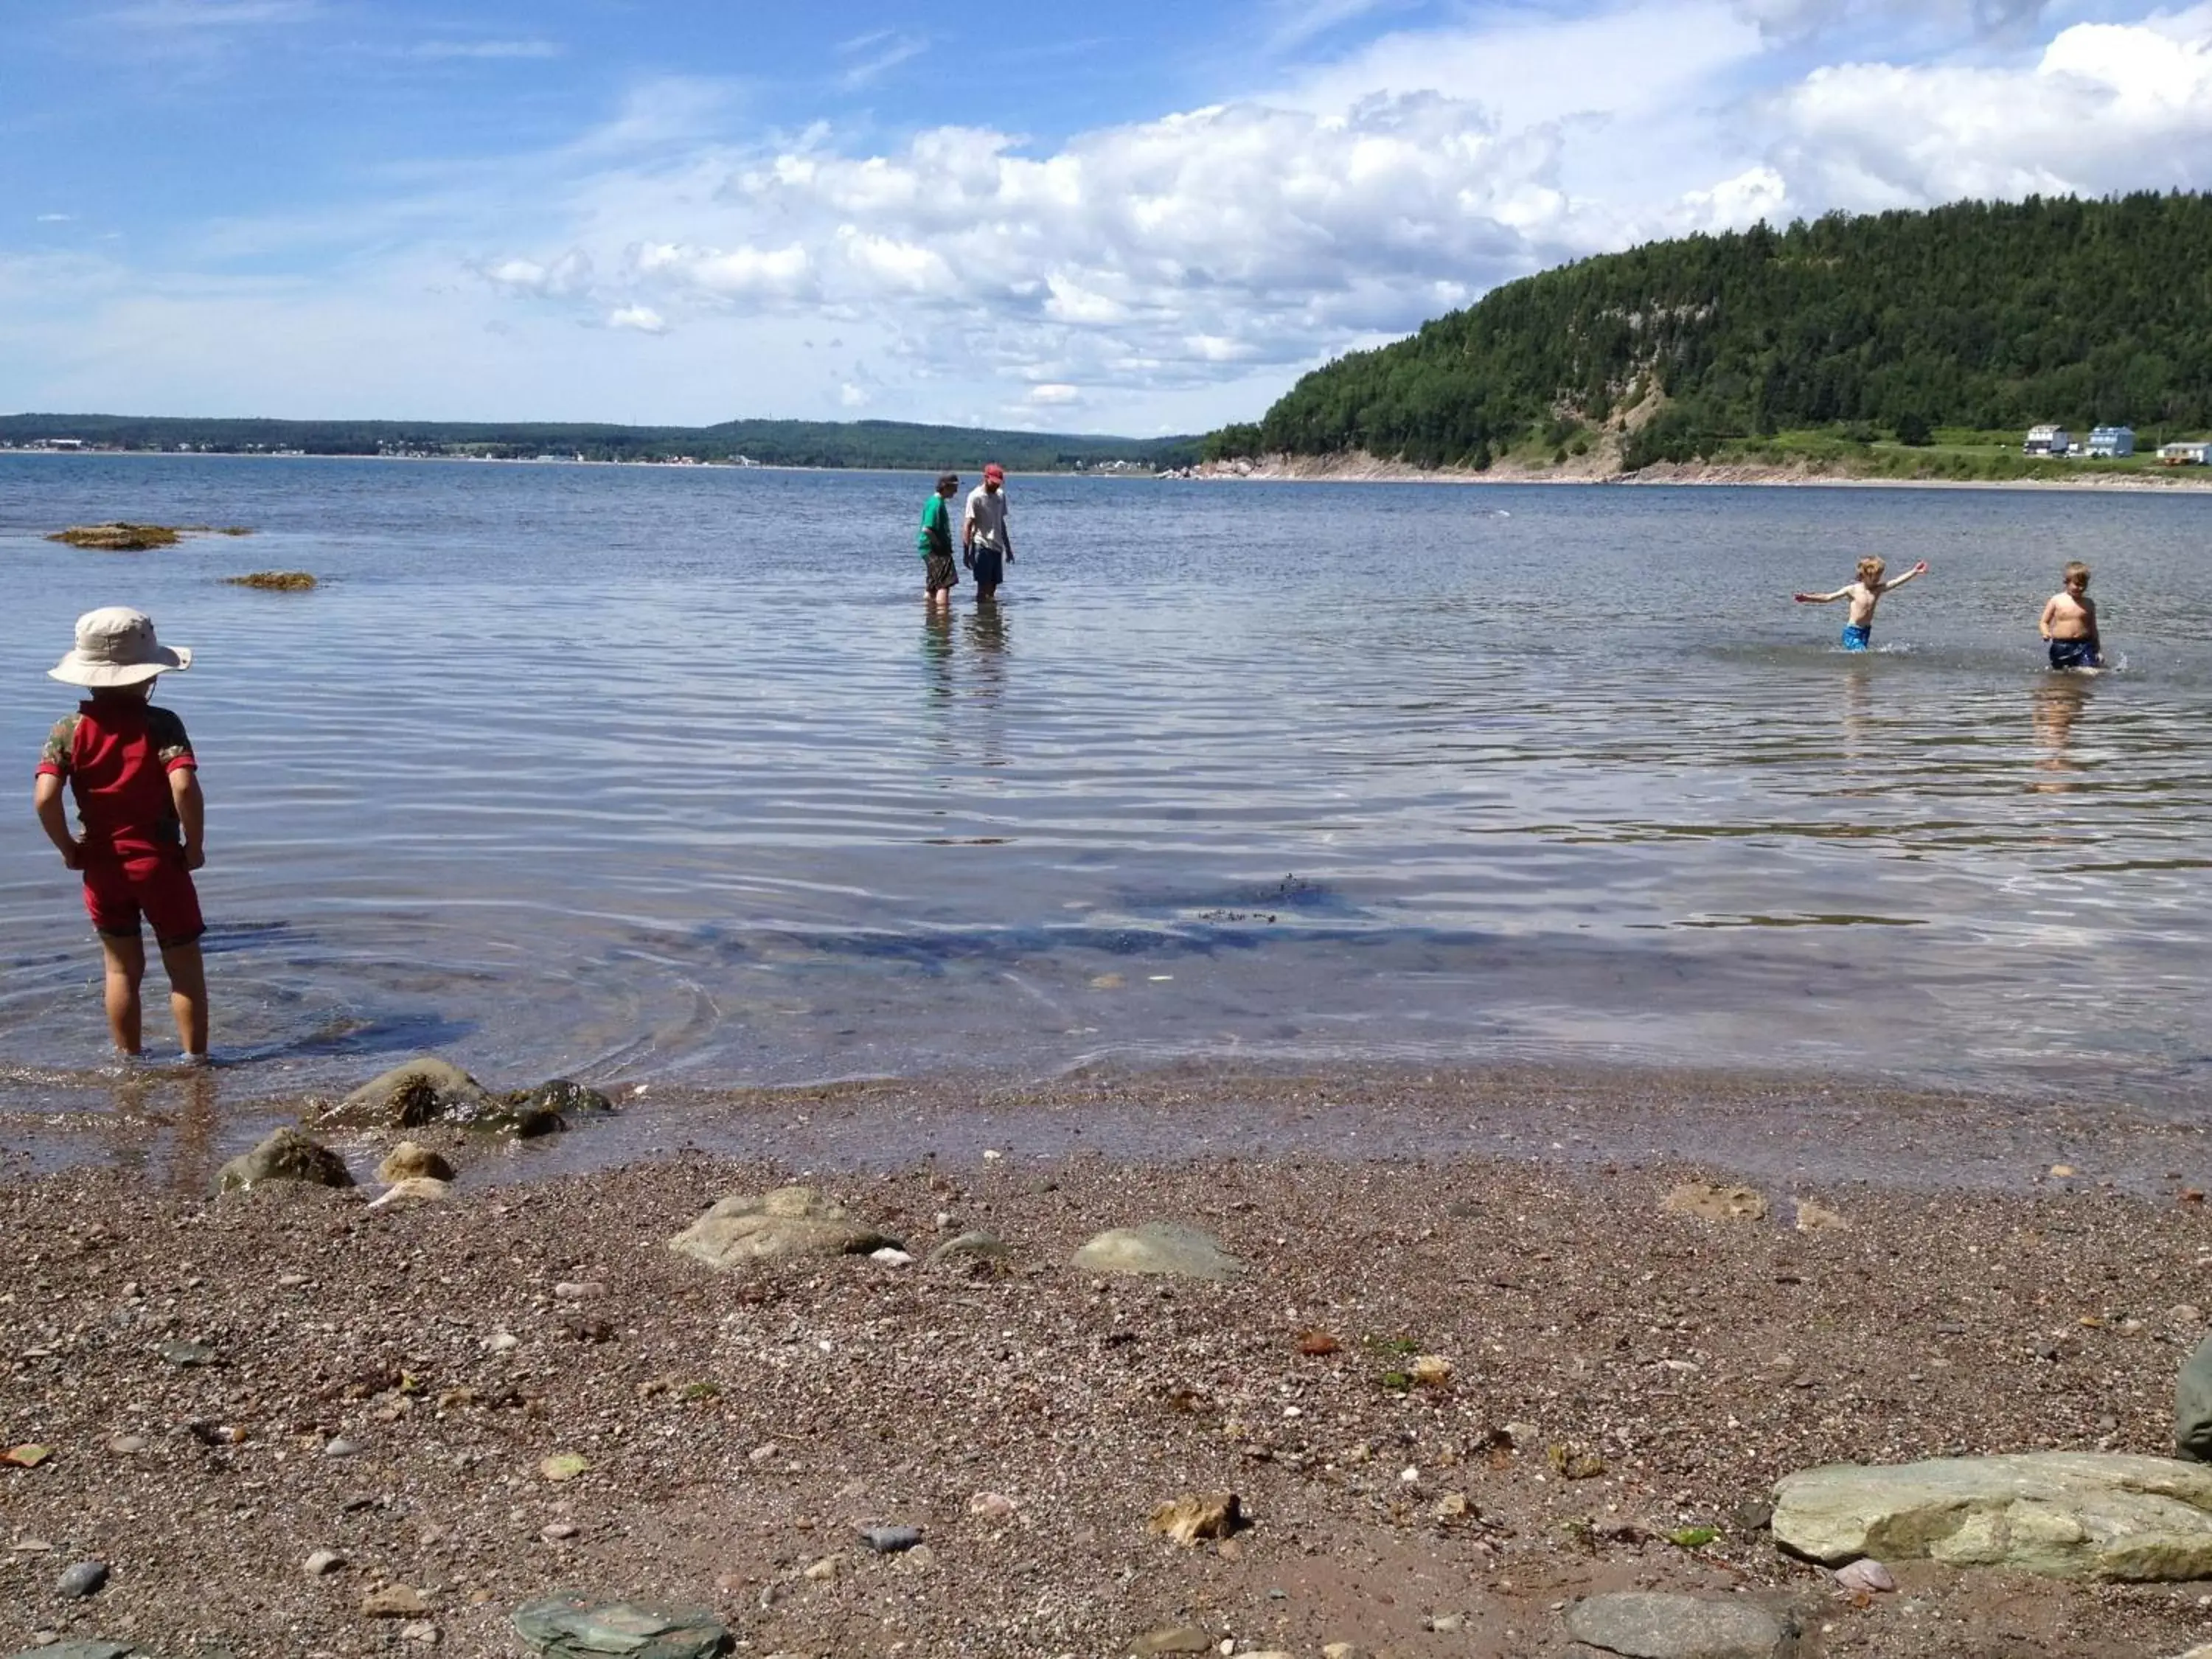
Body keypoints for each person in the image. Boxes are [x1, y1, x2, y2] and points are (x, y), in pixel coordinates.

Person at [32, 606, 210, 1062]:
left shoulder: (68, 730)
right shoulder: (161, 724)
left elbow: (45, 798)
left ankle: (130, 1064)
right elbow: (184, 784)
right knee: (185, 970)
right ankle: (196, 1065)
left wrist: (69, 849)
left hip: (103, 867)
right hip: (159, 862)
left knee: (120, 970)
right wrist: (194, 845)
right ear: (149, 675)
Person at [1794, 556, 1929, 650]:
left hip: (1866, 631)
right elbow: (1828, 597)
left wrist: (1914, 572)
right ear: (1863, 576)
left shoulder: (1878, 589)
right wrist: (1808, 598)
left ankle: (1860, 682)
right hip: (1852, 631)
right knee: (1860, 652)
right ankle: (1854, 686)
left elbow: (1896, 581)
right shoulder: (1852, 590)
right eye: (1874, 578)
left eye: (1879, 577)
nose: (1877, 581)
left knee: (1860, 656)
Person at [962, 462, 1015, 602]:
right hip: (982, 545)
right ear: (986, 478)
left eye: (999, 483)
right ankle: (982, 617)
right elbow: (968, 525)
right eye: (994, 482)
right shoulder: (975, 497)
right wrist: (966, 553)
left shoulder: (1000, 496)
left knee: (993, 588)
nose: (997, 485)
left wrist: (1008, 549)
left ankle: (990, 619)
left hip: (997, 547)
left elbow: (1001, 523)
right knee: (983, 587)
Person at [2039, 560, 2102, 670]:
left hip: (2084, 645)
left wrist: (2097, 650)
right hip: (2061, 646)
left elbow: (2093, 628)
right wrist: (2046, 633)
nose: (2080, 588)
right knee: (2060, 674)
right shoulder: (2057, 600)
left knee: (2090, 672)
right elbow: (2044, 622)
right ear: (2067, 582)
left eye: (2084, 585)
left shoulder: (2089, 603)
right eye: (2077, 584)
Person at [917, 472, 960, 612]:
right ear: (945, 487)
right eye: (954, 487)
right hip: (934, 549)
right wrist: (940, 546)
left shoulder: (936, 502)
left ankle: (930, 613)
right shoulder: (936, 504)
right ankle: (943, 617)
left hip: (929, 549)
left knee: (933, 584)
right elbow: (927, 529)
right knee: (944, 583)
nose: (956, 491)